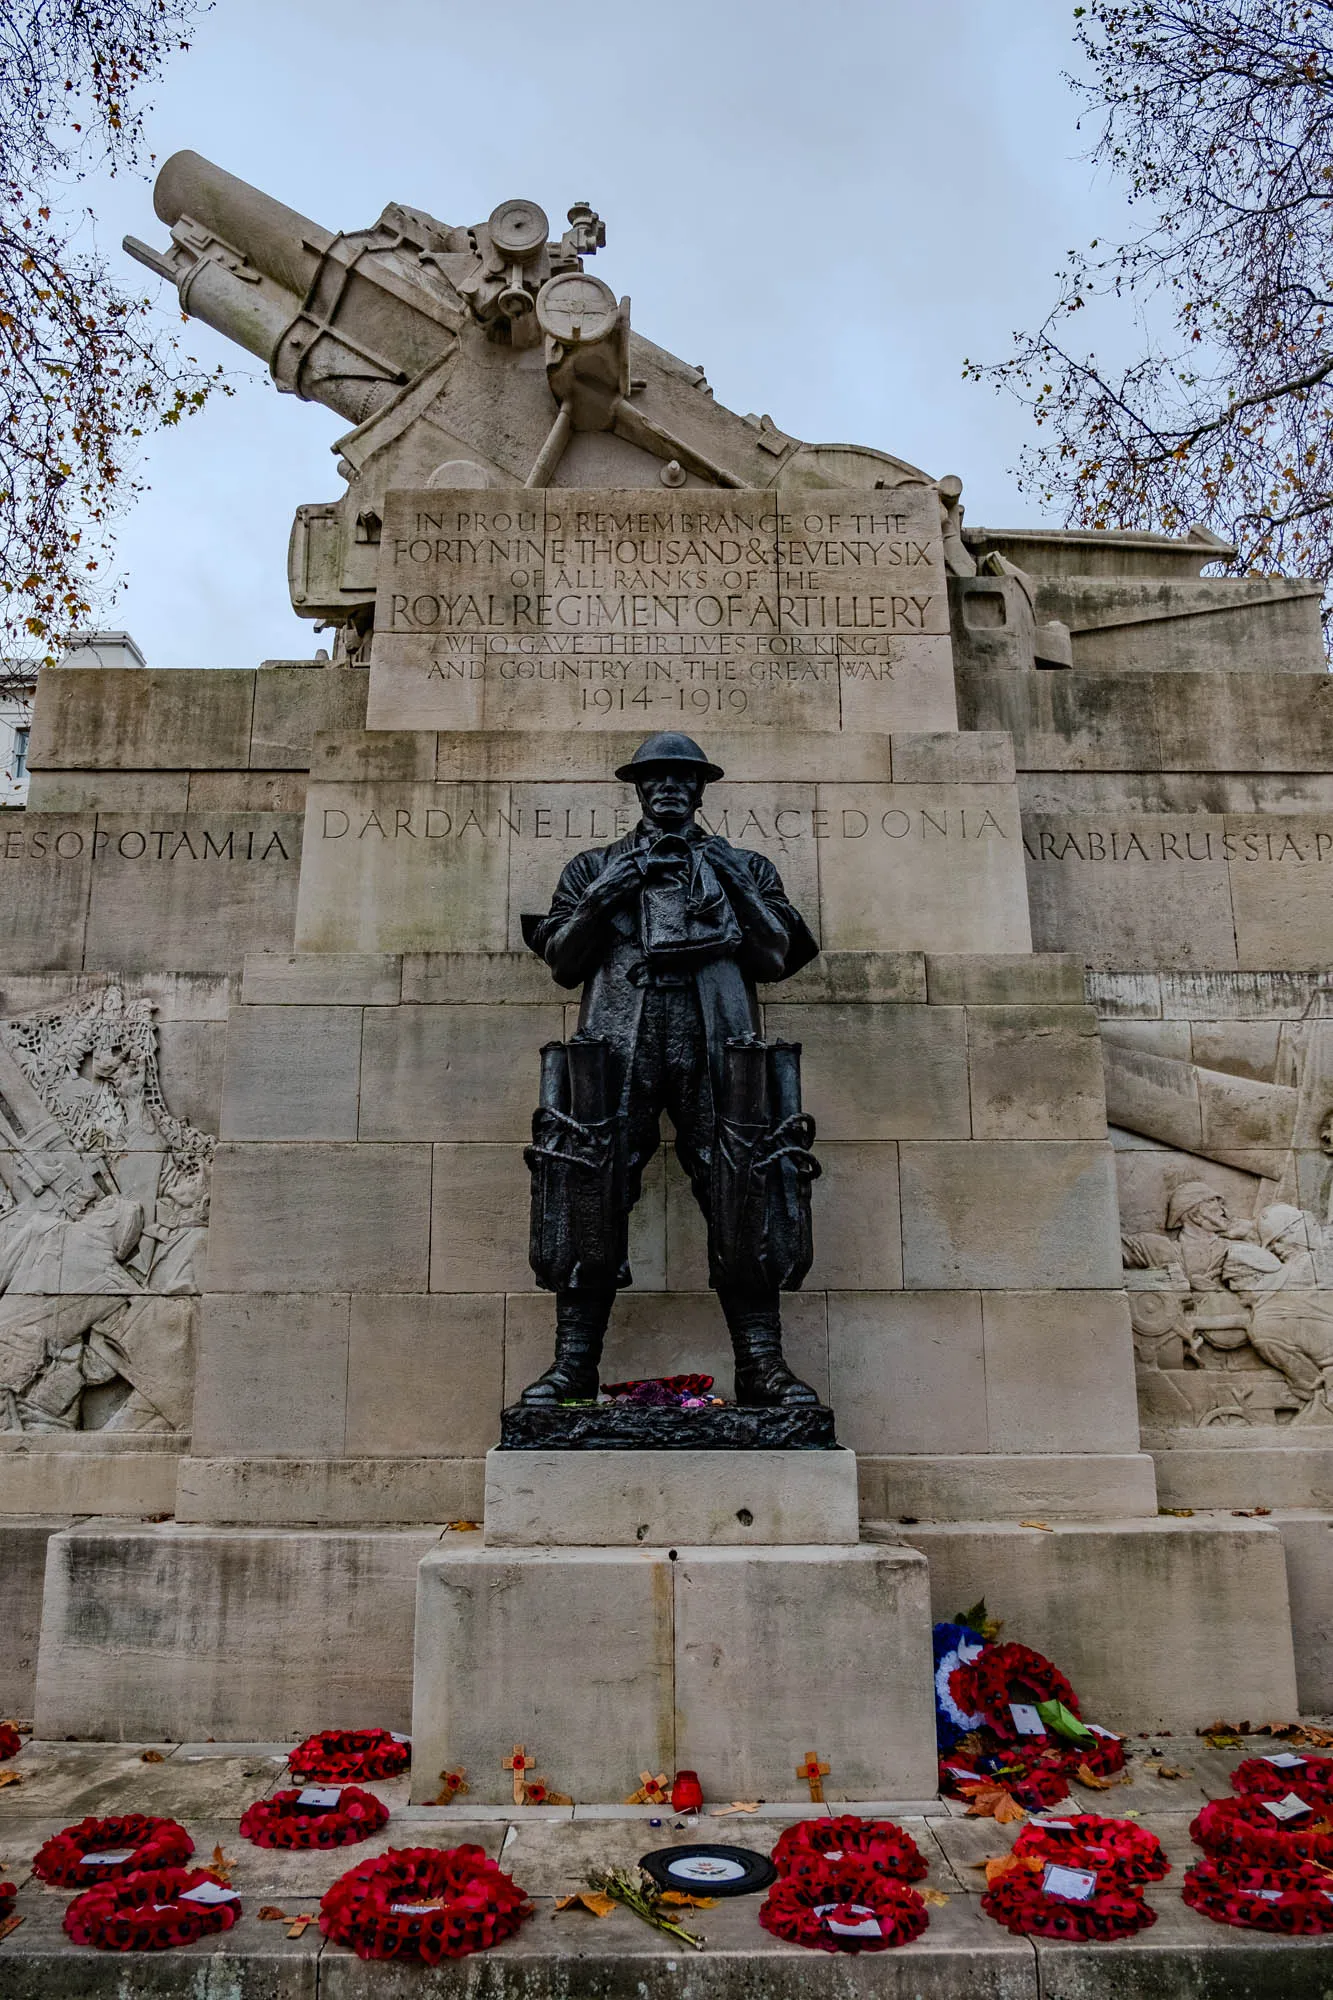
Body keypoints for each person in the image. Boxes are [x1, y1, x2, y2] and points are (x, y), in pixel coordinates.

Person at [520, 731, 820, 1408]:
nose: (668, 789)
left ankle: (761, 1364)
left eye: (682, 779)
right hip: (618, 1037)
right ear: (637, 788)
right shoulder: (592, 866)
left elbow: (774, 956)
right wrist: (609, 891)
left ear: (700, 789)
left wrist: (733, 878)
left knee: (745, 1187)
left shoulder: (746, 865)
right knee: (585, 1185)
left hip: (716, 1035)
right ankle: (573, 1366)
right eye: (655, 779)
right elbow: (564, 963)